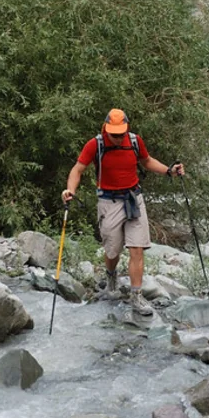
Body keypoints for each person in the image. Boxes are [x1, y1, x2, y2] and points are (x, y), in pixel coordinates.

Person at [62, 108, 184, 316]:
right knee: (112, 251)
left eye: (121, 134)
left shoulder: (135, 141)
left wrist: (168, 171)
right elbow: (77, 170)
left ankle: (136, 296)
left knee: (137, 248)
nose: (118, 138)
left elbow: (146, 161)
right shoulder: (96, 145)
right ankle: (111, 279)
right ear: (106, 130)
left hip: (133, 198)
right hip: (108, 201)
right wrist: (70, 190)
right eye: (114, 134)